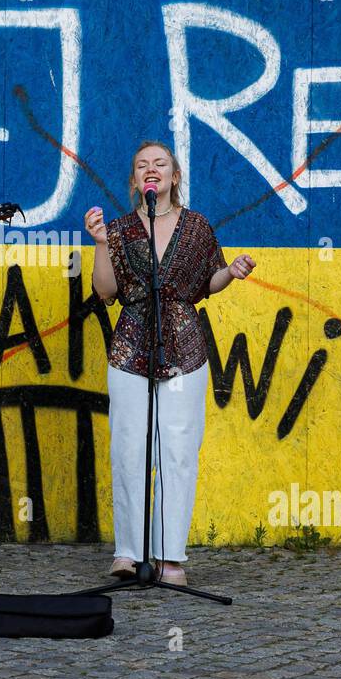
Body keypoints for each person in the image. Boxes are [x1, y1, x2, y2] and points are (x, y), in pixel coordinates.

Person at [84, 140, 256, 586]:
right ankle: (128, 553)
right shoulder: (119, 230)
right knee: (128, 449)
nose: (151, 169)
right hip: (130, 347)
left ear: (174, 177)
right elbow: (104, 290)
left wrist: (231, 274)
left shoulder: (197, 228)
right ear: (135, 181)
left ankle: (169, 557)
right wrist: (101, 244)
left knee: (178, 451)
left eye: (160, 163)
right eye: (142, 165)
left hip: (184, 349)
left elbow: (207, 281)